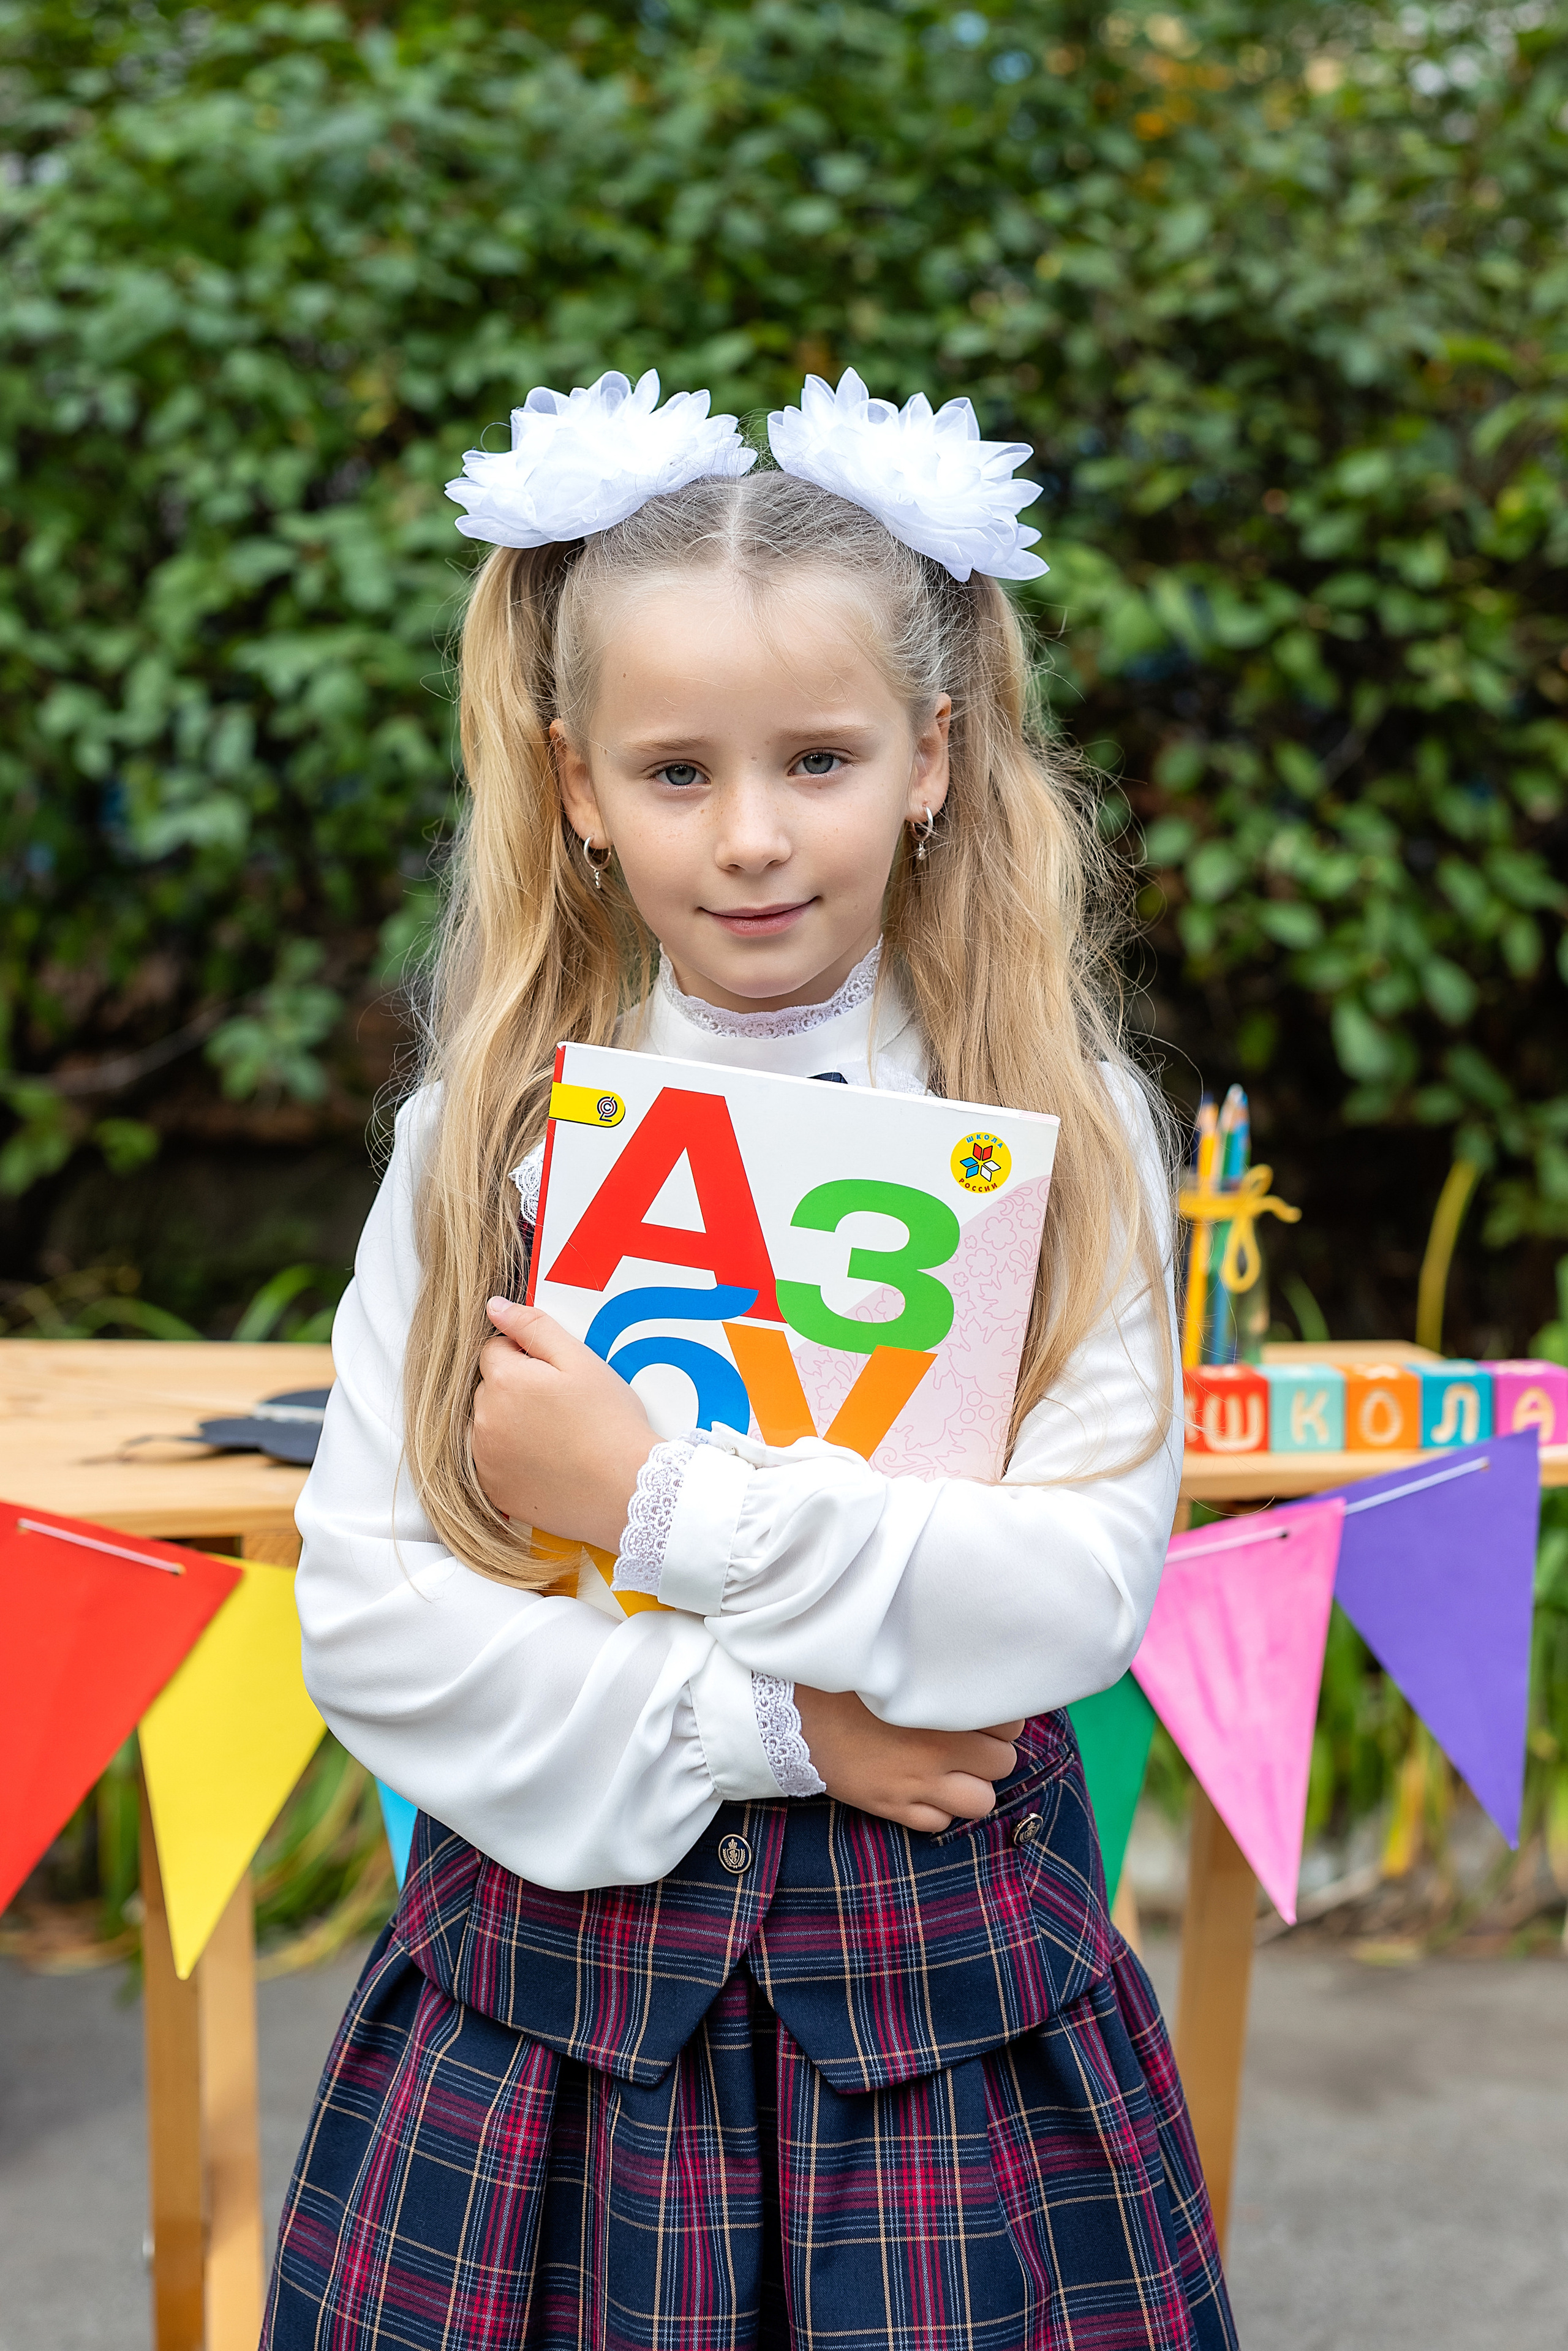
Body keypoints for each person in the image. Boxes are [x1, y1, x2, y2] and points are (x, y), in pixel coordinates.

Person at [263, 366, 1236, 2350]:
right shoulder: (496, 1134)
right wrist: (786, 1730)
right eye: (681, 771)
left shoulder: (1061, 1119)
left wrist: (657, 1504)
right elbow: (370, 1621)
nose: (756, 837)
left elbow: (1076, 1591)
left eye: (819, 758)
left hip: (949, 2040)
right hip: (542, 2046)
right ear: (578, 785)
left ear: (935, 754)